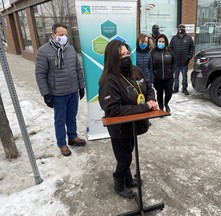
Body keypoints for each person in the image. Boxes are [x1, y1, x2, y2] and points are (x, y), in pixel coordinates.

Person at [98, 40, 158, 199]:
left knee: (128, 153)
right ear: (113, 58)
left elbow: (148, 88)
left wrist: (150, 100)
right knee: (124, 159)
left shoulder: (136, 70)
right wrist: (145, 107)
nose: (126, 57)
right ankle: (119, 182)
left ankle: (128, 178)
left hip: (133, 125)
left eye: (127, 53)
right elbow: (113, 109)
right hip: (119, 128)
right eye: (121, 55)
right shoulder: (109, 80)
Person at [35, 23, 86, 157]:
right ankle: (62, 144)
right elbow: (40, 74)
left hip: (73, 90)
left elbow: (78, 69)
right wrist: (46, 94)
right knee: (60, 119)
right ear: (53, 35)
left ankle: (73, 137)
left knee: (72, 116)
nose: (64, 37)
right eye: (61, 35)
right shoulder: (44, 51)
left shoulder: (70, 49)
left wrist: (81, 86)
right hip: (58, 93)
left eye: (66, 35)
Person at [150, 34, 176, 113]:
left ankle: (166, 103)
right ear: (157, 42)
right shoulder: (153, 52)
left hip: (169, 77)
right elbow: (150, 65)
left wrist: (171, 71)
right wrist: (154, 74)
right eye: (159, 41)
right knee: (159, 93)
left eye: (163, 42)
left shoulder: (170, 51)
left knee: (169, 93)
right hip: (158, 78)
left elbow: (174, 63)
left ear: (166, 42)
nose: (161, 43)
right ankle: (161, 107)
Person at [170, 24, 195, 95]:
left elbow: (192, 48)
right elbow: (170, 48)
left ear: (185, 28)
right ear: (178, 29)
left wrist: (189, 57)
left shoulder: (189, 38)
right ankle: (176, 88)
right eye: (180, 27)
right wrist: (173, 56)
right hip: (176, 61)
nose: (181, 28)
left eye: (183, 27)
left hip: (185, 61)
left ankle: (184, 88)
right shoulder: (174, 38)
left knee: (184, 76)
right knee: (176, 76)